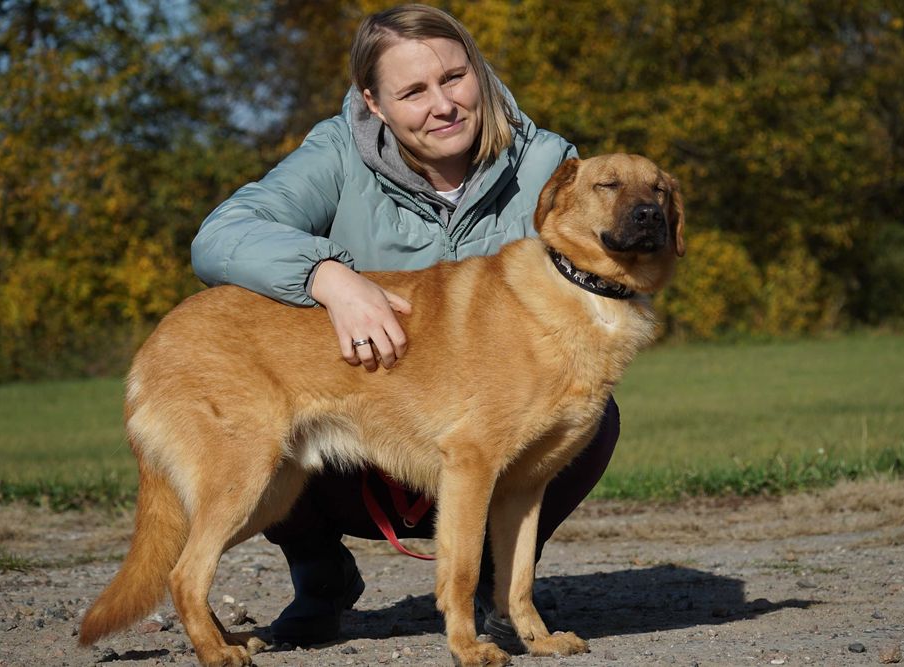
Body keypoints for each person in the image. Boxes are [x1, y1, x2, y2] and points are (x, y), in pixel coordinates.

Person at [190, 3, 620, 646]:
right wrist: (328, 277)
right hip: (364, 426)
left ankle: (495, 588)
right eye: (413, 91)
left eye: (454, 77)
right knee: (269, 422)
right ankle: (321, 577)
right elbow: (220, 237)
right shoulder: (336, 153)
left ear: (478, 71)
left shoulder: (549, 166)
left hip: (480, 429)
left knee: (589, 414)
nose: (442, 104)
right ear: (375, 103)